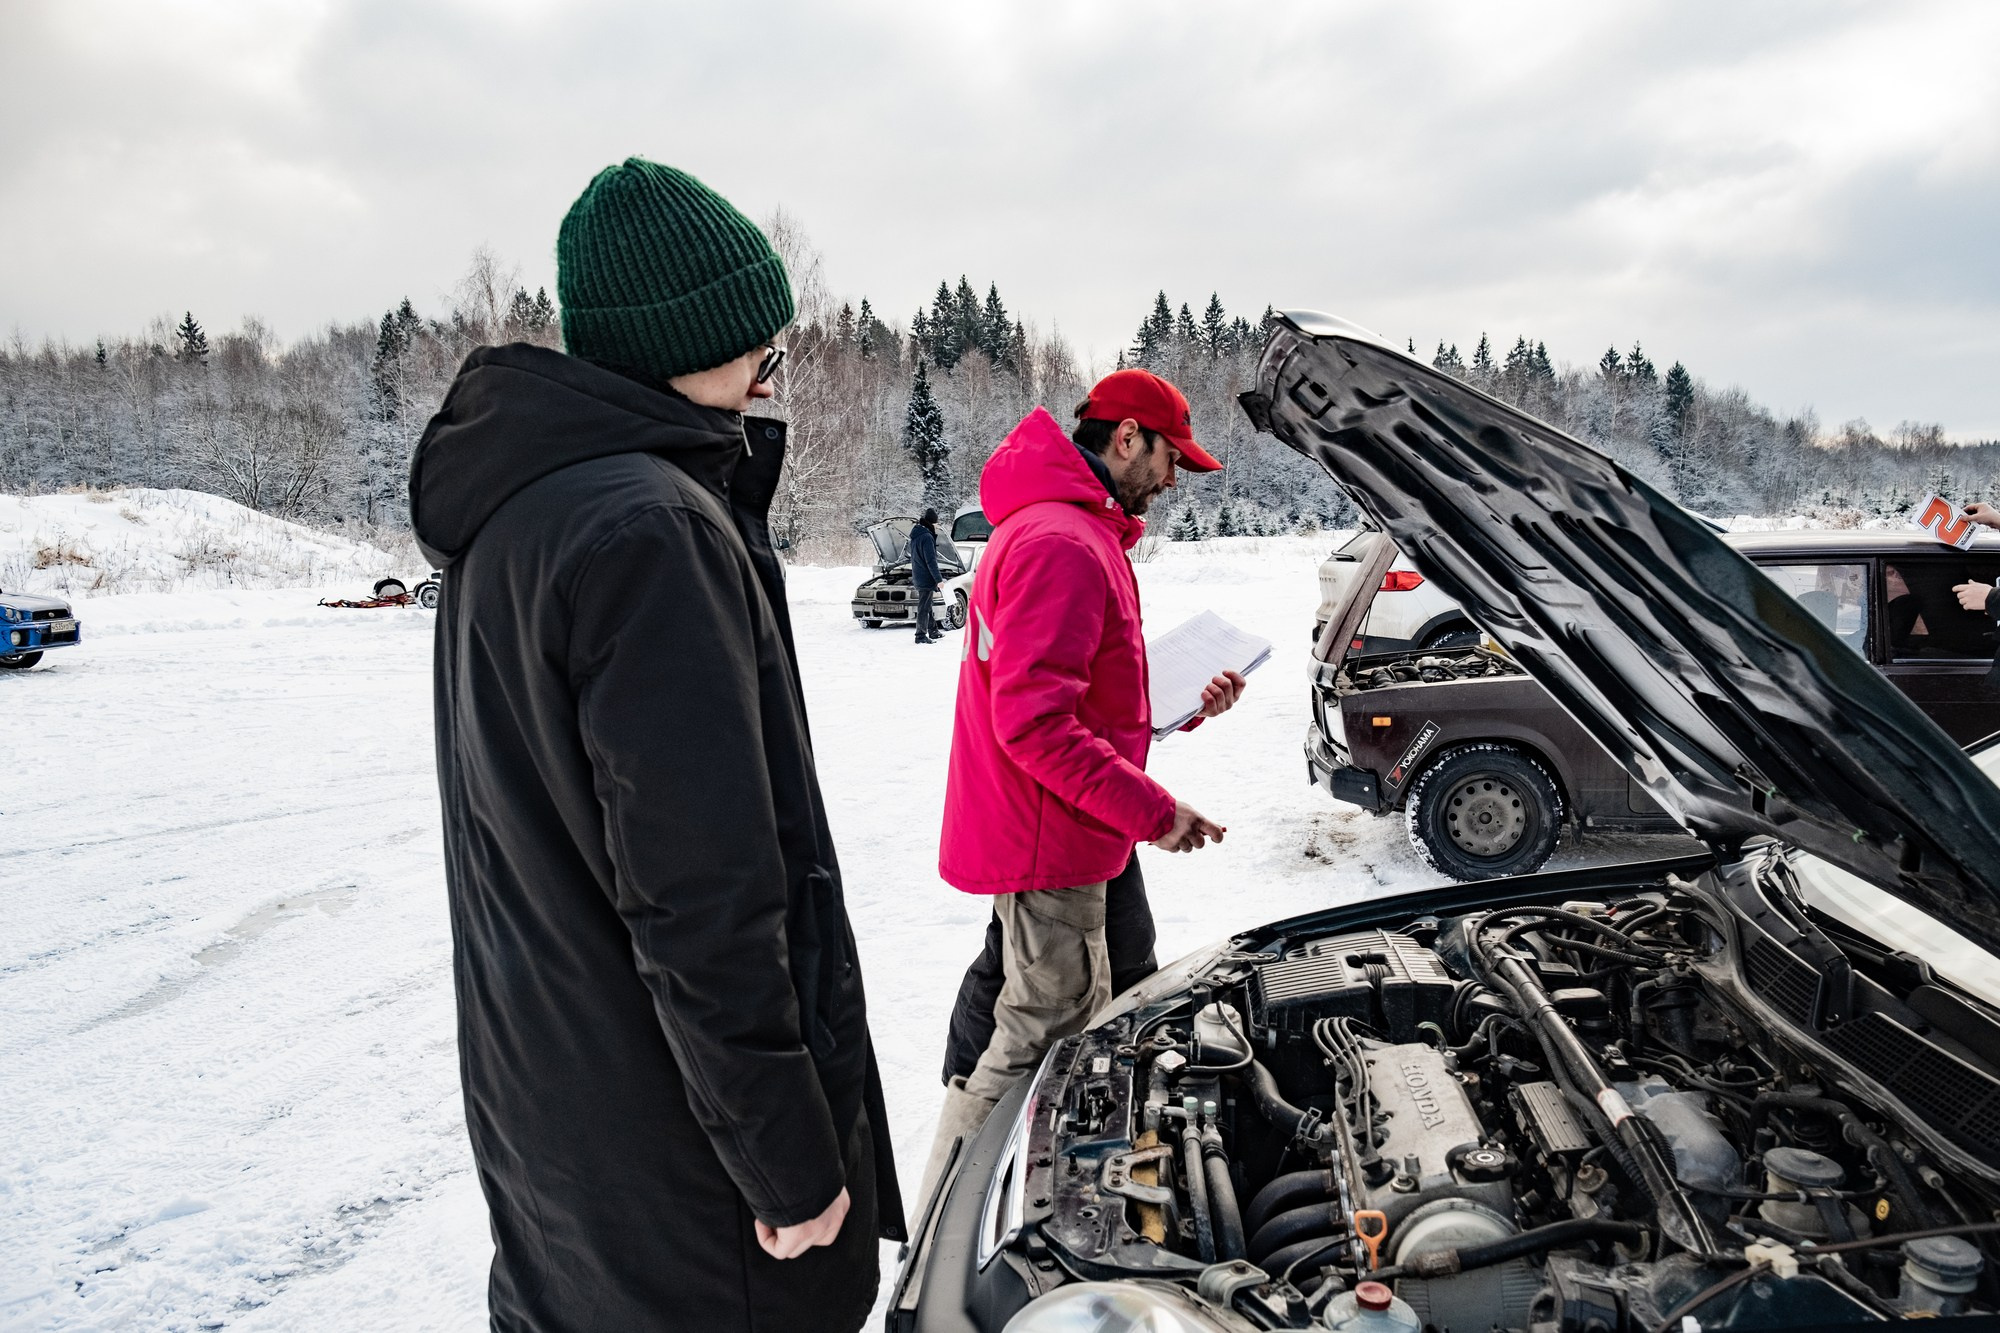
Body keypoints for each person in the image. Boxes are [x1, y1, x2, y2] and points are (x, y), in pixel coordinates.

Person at [409, 158, 900, 1333]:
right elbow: (702, 892)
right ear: (684, 340)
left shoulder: (519, 513)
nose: (769, 375)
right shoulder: (648, 531)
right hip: (686, 1169)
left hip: (563, 1121)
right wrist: (785, 1156)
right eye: (759, 351)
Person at [917, 369, 1246, 1207]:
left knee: (1106, 984)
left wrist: (1179, 710)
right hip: (1052, 836)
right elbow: (1032, 724)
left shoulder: (1075, 532)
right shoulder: (1062, 543)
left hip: (1074, 826)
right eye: (1173, 458)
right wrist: (1154, 810)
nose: (1175, 480)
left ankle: (1103, 1168)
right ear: (1128, 436)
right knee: (1043, 1033)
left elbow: (1080, 699)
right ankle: (949, 1226)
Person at [910, 507, 943, 644]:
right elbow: (931, 561)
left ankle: (933, 630)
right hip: (925, 577)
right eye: (936, 524)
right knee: (924, 607)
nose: (936, 526)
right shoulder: (927, 537)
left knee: (927, 604)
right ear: (931, 523)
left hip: (918, 575)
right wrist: (938, 579)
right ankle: (920, 636)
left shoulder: (916, 535)